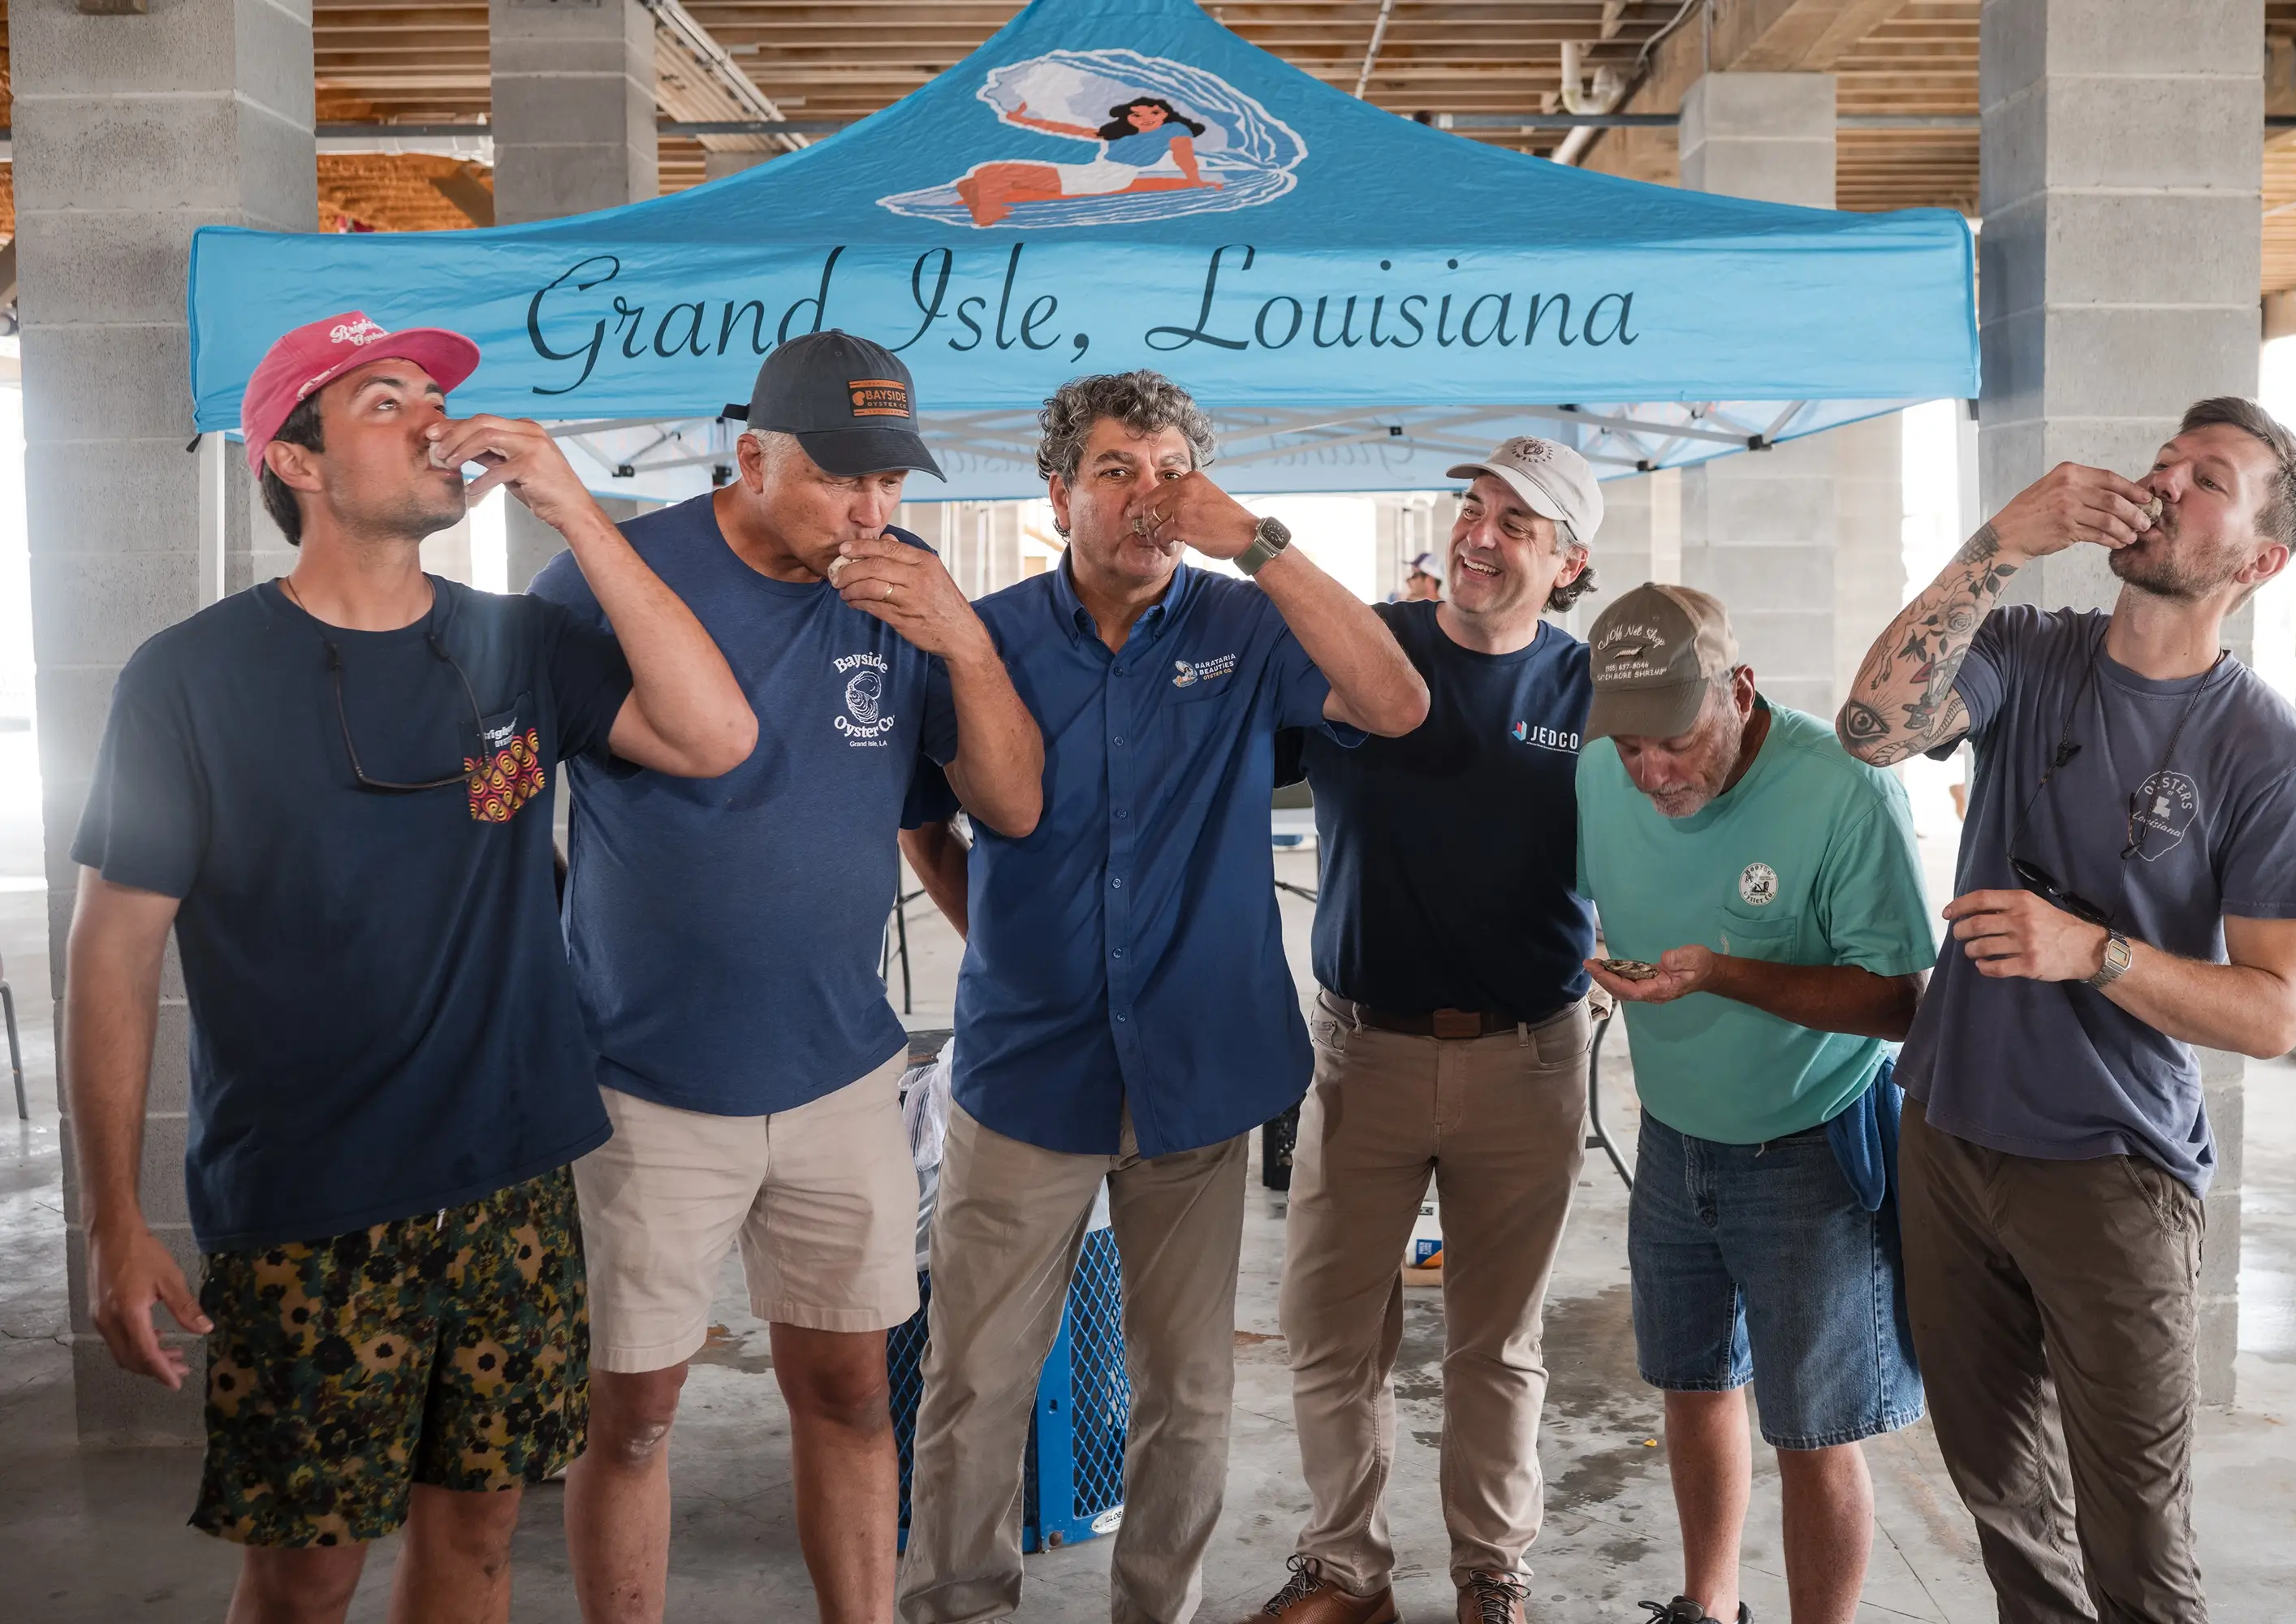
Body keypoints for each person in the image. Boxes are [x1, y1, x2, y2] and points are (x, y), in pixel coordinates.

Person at [64, 313, 756, 1624]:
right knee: (306, 1574)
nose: (434, 419)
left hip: (508, 1189)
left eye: (434, 394)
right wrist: (112, 1221)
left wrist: (574, 509)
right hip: (311, 1211)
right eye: (385, 401)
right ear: (298, 462)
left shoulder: (518, 647)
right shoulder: (186, 682)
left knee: (483, 1542)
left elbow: (715, 733)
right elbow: (113, 947)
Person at [896, 370, 1430, 1624]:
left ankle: (1157, 1611)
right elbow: (927, 822)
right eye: (1118, 471)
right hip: (1027, 1077)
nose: (1148, 496)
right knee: (975, 1381)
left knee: (1186, 1392)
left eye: (1169, 470)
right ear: (1058, 492)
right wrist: (1014, 954)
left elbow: (1397, 703)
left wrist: (1260, 542)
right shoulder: (992, 634)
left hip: (1199, 1076)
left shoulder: (1243, 631)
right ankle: (957, 1605)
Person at [529, 332, 1042, 1624]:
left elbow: (1011, 806)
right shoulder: (611, 577)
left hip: (841, 1077)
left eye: (893, 485)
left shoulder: (904, 586)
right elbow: (498, 796)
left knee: (854, 1394)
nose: (872, 513)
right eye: (840, 481)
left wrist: (967, 644)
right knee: (634, 1414)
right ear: (751, 457)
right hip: (645, 1083)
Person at [1837, 400, 2296, 1623]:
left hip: (2113, 1174)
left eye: (2208, 478)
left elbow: (2277, 1015)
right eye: (2165, 458)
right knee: (2001, 1496)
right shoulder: (2027, 646)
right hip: (1950, 1136)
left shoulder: (2272, 758)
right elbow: (1871, 729)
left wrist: (2093, 952)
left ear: (2260, 560)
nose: (2165, 481)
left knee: (2136, 1534)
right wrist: (1999, 540)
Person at [1243, 438, 1599, 1624]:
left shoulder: (1591, 693)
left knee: (1498, 1344)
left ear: (1568, 560)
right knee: (1331, 1334)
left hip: (1529, 1058)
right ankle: (1347, 1569)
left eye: (1517, 525)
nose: (1480, 537)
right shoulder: (1367, 651)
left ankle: (1489, 1574)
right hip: (1365, 1053)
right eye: (1473, 508)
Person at [1576, 583, 1939, 1624]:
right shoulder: (1604, 773)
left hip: (1813, 1145)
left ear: (1740, 687)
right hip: (1674, 1134)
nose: (1651, 774)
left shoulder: (1843, 790)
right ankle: (1709, 1604)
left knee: (1816, 1430)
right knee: (1691, 1385)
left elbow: (1903, 1002)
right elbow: (1574, 890)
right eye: (1630, 747)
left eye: (1675, 743)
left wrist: (1721, 974)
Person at [956, 96, 1221, 226]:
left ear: (1164, 112)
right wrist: (1023, 120)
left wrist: (1196, 182)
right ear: (1128, 118)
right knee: (983, 173)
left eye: (1153, 112)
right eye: (1136, 115)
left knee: (993, 172)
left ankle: (986, 212)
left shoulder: (1175, 131)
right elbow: (1069, 129)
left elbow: (1184, 158)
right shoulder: (1118, 132)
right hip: (1094, 172)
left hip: (1110, 178)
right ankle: (982, 202)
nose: (1146, 119)